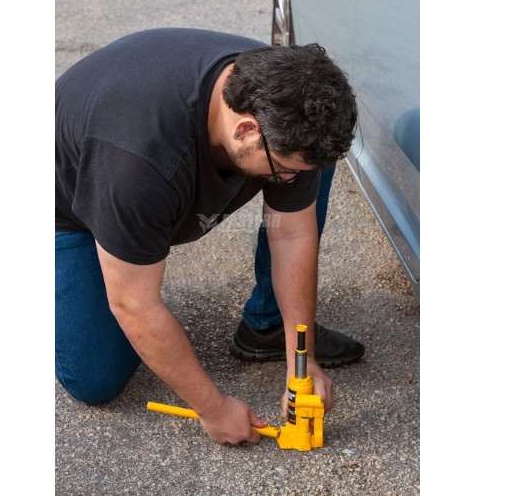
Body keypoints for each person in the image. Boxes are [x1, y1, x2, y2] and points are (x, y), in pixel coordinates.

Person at [55, 28, 364, 445]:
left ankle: (267, 324)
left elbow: (291, 235)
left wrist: (302, 361)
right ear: (246, 130)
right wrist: (213, 408)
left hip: (141, 174)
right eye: (284, 171)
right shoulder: (139, 162)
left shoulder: (287, 105)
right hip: (70, 207)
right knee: (95, 378)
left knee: (308, 164)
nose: (290, 180)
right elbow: (133, 304)